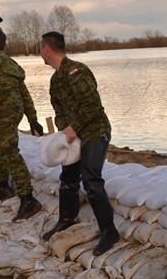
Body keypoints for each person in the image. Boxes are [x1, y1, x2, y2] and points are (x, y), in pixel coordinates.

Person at [39, 31, 120, 256]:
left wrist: (73, 127)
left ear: (47, 49)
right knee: (68, 178)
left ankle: (109, 231)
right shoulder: (56, 79)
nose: (40, 54)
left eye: (40, 49)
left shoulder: (77, 71)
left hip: (95, 131)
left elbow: (92, 105)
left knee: (91, 179)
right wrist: (65, 131)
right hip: (74, 136)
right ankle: (66, 219)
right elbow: (59, 111)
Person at [0, 30, 45, 222]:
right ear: (4, 44)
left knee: (9, 151)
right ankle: (3, 187)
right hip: (10, 112)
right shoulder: (11, 63)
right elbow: (25, 93)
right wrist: (32, 119)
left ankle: (28, 199)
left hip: (5, 113)